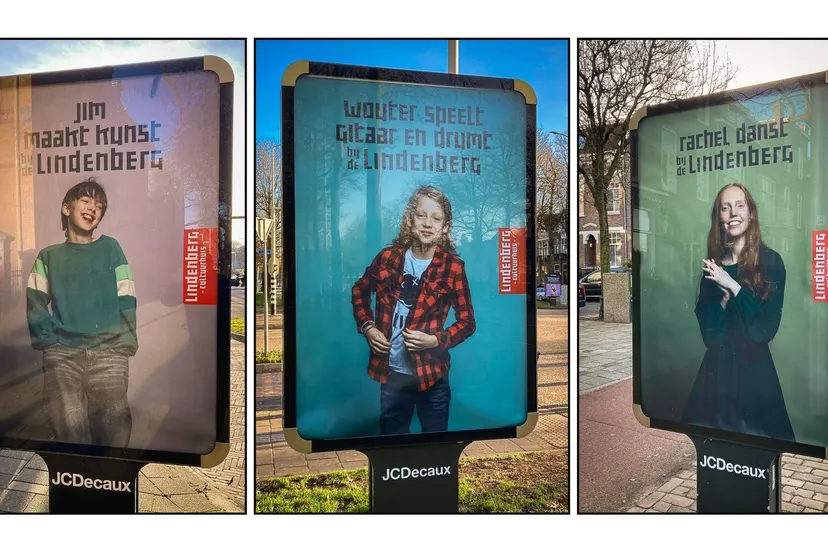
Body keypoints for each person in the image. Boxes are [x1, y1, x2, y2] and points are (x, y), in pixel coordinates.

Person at [351, 186, 476, 436]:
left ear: (445, 226)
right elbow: (360, 290)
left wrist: (435, 341)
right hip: (393, 375)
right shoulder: (388, 257)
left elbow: (467, 322)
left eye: (436, 218)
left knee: (435, 448)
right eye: (421, 215)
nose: (428, 223)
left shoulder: (453, 267)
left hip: (433, 377)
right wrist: (368, 327)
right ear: (410, 220)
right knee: (393, 444)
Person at [26, 178, 137, 447]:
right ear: (67, 208)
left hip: (109, 354)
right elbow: (35, 298)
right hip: (63, 356)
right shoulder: (48, 255)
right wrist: (48, 342)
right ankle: (75, 486)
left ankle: (107, 484)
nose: (92, 208)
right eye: (85, 201)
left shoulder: (111, 248)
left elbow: (127, 294)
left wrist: (125, 340)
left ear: (100, 218)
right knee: (68, 435)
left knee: (114, 437)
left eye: (99, 206)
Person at [682, 182, 794, 441]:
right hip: (716, 381)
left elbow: (761, 332)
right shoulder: (713, 269)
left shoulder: (771, 262)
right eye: (725, 207)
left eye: (739, 205)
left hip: (755, 379)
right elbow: (711, 338)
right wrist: (721, 301)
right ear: (719, 218)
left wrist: (733, 287)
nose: (733, 213)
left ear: (751, 213)